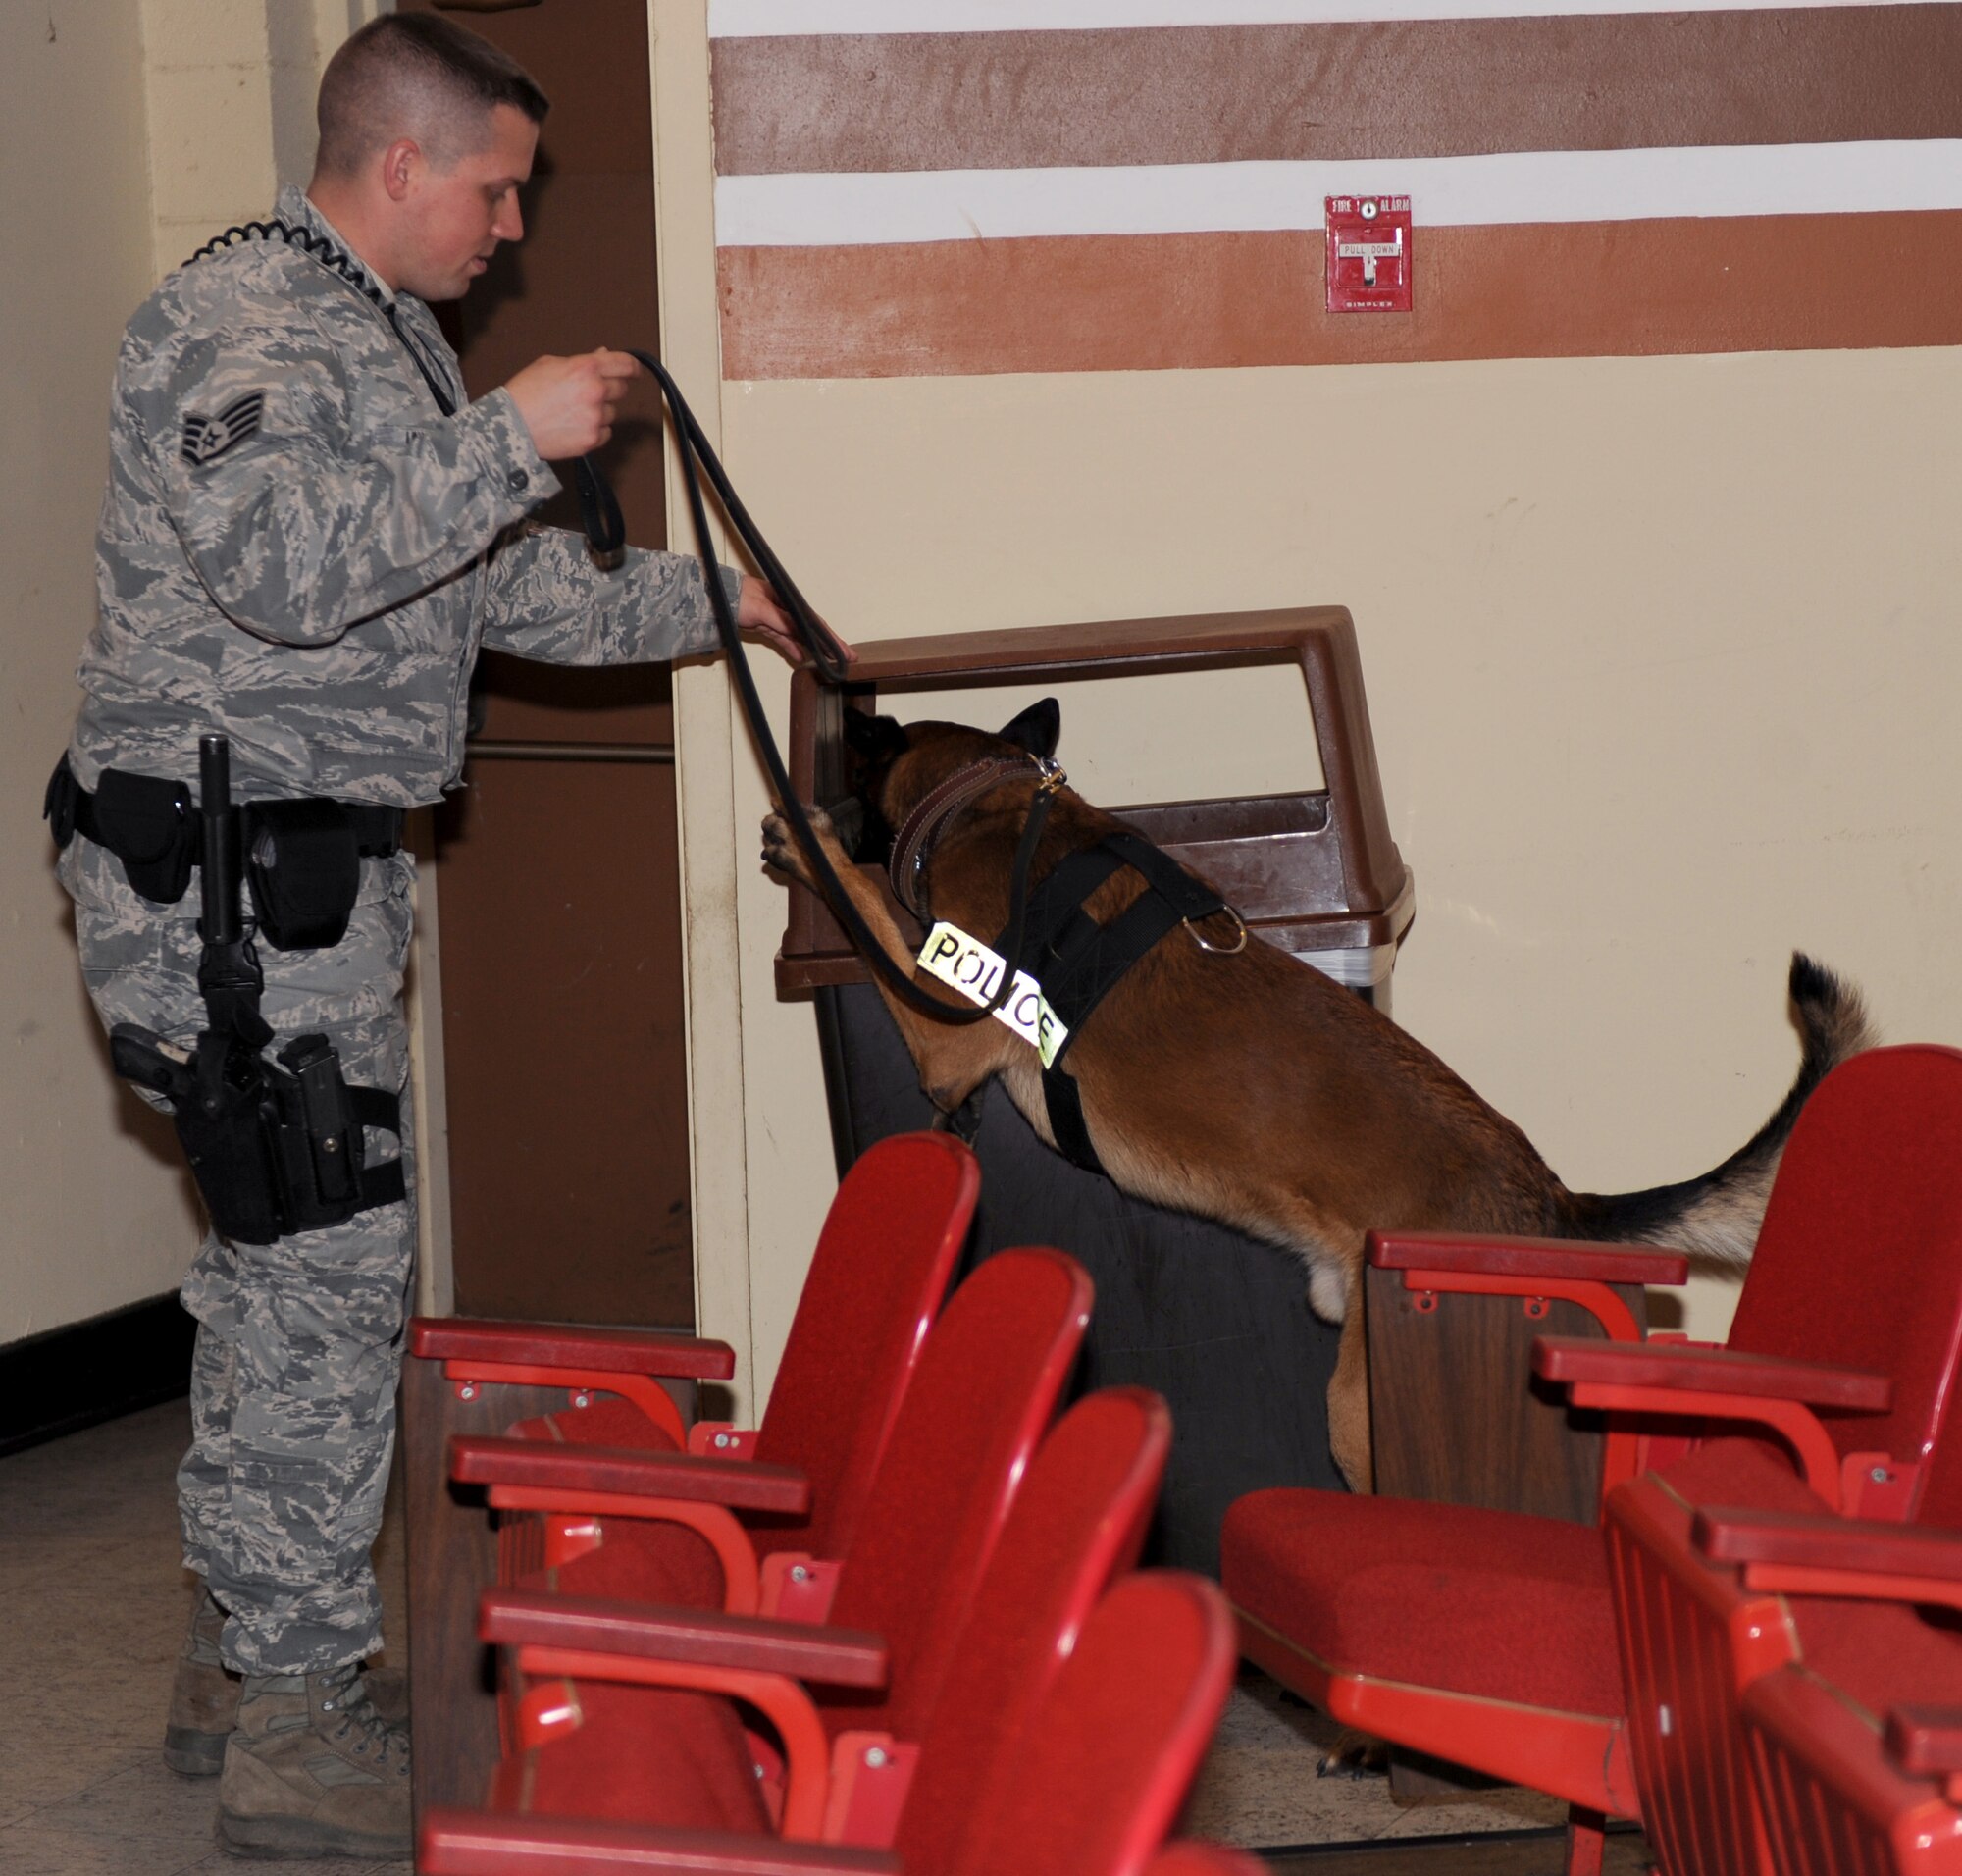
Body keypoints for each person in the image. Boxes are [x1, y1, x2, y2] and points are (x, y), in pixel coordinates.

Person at [46, 13, 839, 1860]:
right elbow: (281, 567)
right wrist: (508, 433)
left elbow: (500, 593)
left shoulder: (385, 334)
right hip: (226, 900)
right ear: (396, 164)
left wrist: (719, 599)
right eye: (492, 187)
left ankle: (251, 1650)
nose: (508, 225)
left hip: (295, 885)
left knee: (277, 1270)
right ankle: (299, 1722)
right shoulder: (245, 322)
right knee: (324, 1284)